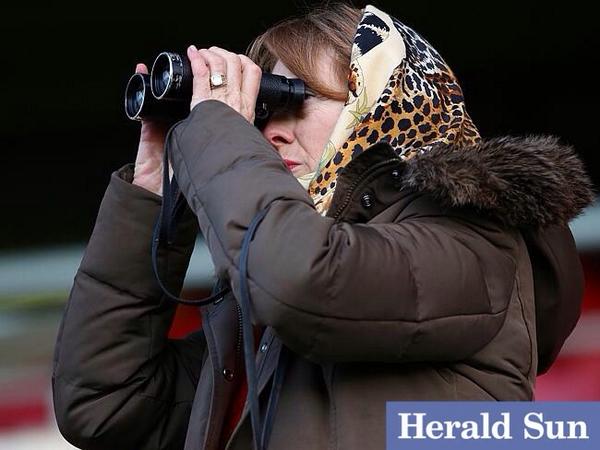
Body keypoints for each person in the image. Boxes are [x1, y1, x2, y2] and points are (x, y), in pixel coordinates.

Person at [52, 2, 596, 450]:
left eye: (292, 101)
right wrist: (153, 190)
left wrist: (216, 130)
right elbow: (106, 402)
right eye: (261, 112)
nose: (271, 133)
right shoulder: (272, 318)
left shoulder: (474, 241)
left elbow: (303, 280)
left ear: (380, 103)